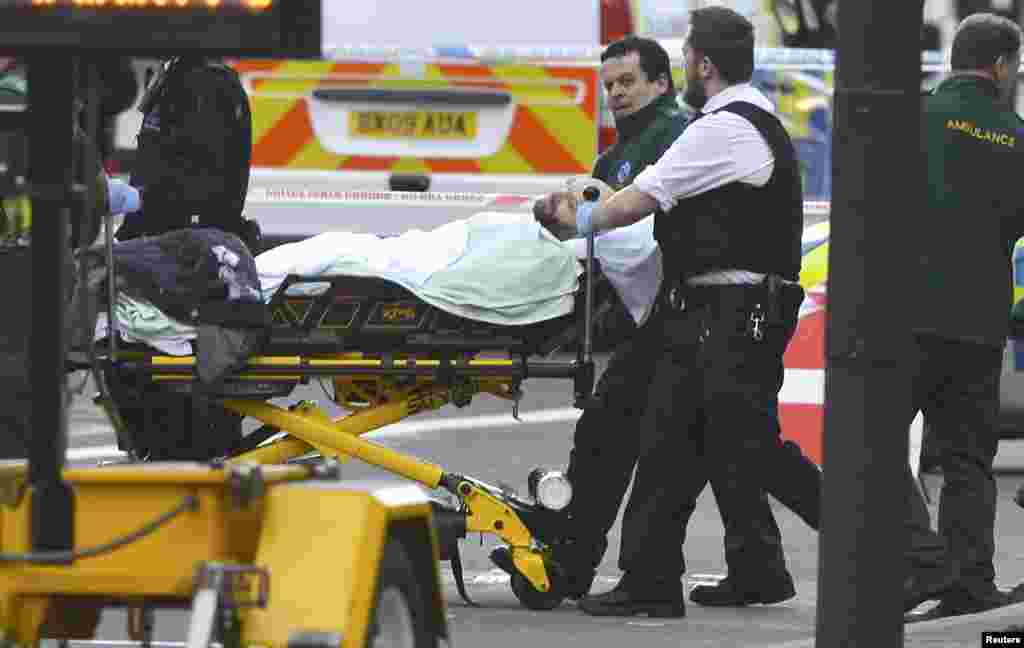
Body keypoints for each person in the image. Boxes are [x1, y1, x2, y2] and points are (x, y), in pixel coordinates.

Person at [496, 34, 821, 608]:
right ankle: (741, 567)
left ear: (675, 76)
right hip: (688, 310)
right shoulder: (637, 147)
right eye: (609, 85)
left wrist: (578, 219)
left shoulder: (690, 132)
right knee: (704, 444)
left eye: (628, 82)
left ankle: (590, 565)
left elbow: (635, 207)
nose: (616, 94)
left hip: (702, 312)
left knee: (695, 442)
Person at [901, 12, 1024, 618]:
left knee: (870, 442)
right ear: (1001, 66)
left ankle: (926, 559)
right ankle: (968, 581)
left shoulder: (909, 117)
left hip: (904, 313)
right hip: (978, 319)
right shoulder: (1016, 134)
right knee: (969, 459)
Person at [115, 55, 256, 248]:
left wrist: (137, 217)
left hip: (183, 241)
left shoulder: (206, 83)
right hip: (172, 235)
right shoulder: (179, 74)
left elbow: (196, 177)